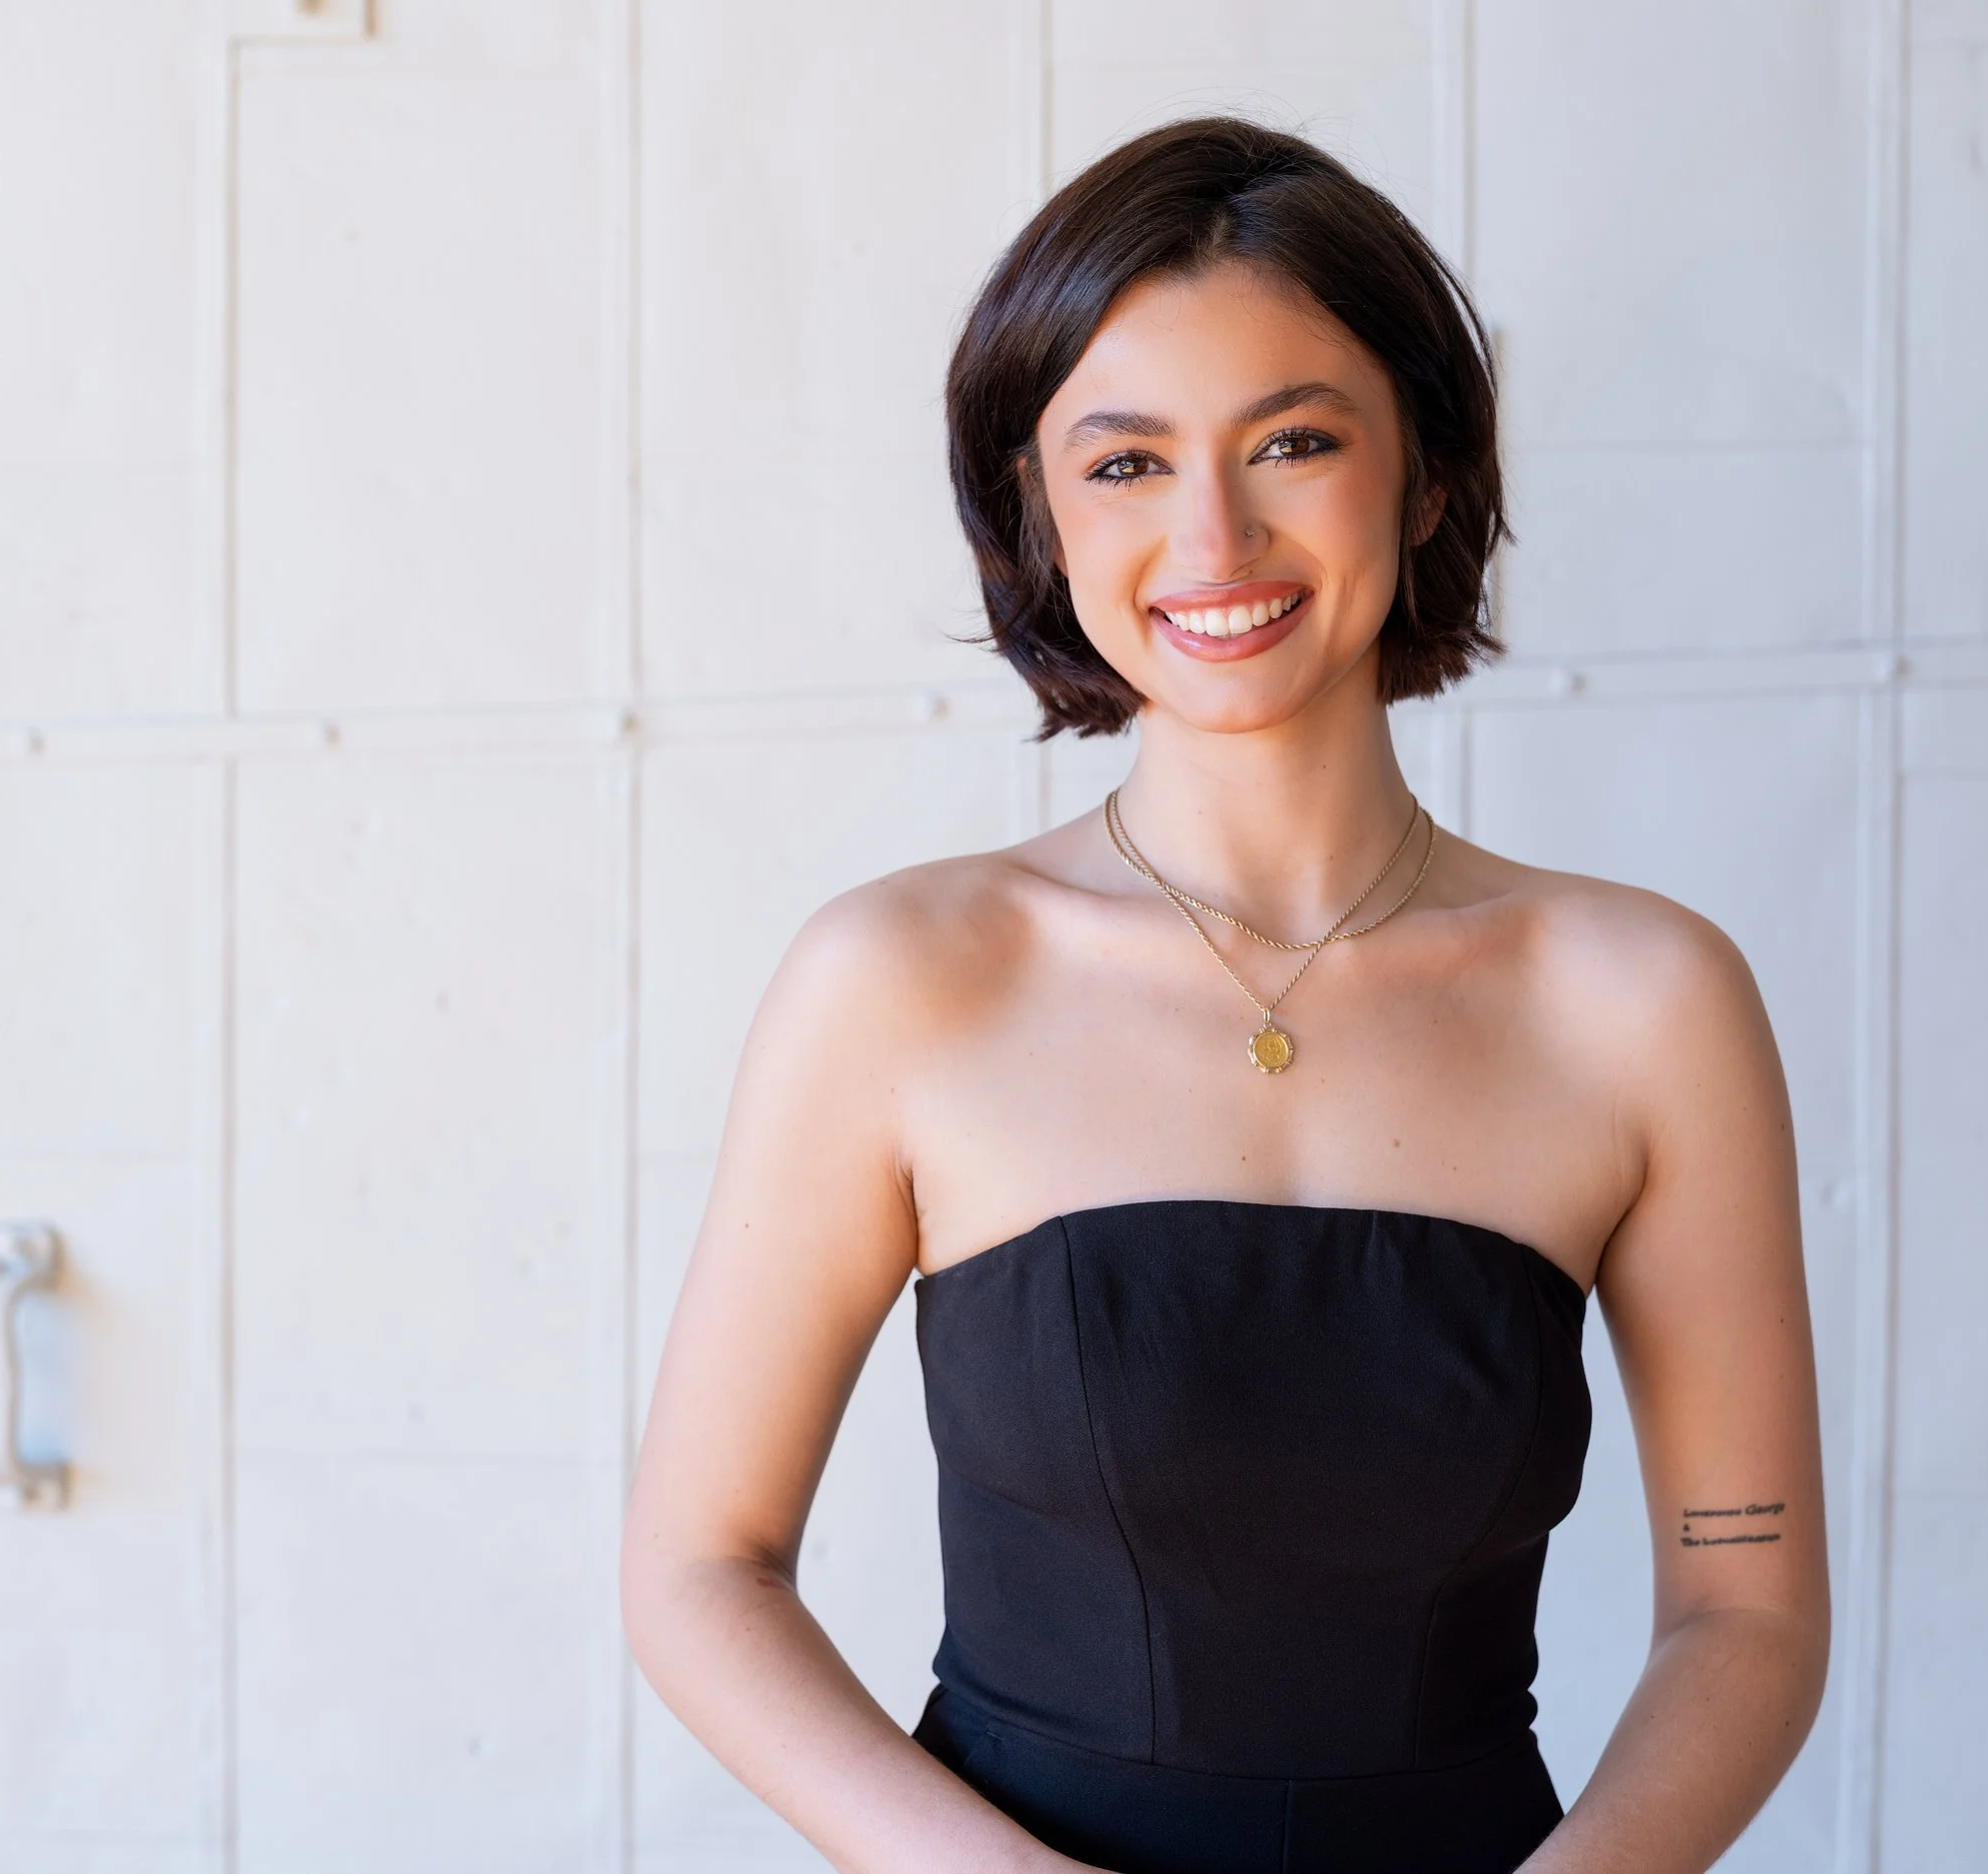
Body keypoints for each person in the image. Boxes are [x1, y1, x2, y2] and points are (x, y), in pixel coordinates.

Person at [620, 118, 1827, 1874]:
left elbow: (1747, 1605)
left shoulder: (1645, 1001)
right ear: (1035, 507)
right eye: (1123, 463)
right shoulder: (898, 982)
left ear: (1422, 475)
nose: (1213, 535)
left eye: (1295, 440)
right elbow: (697, 1567)